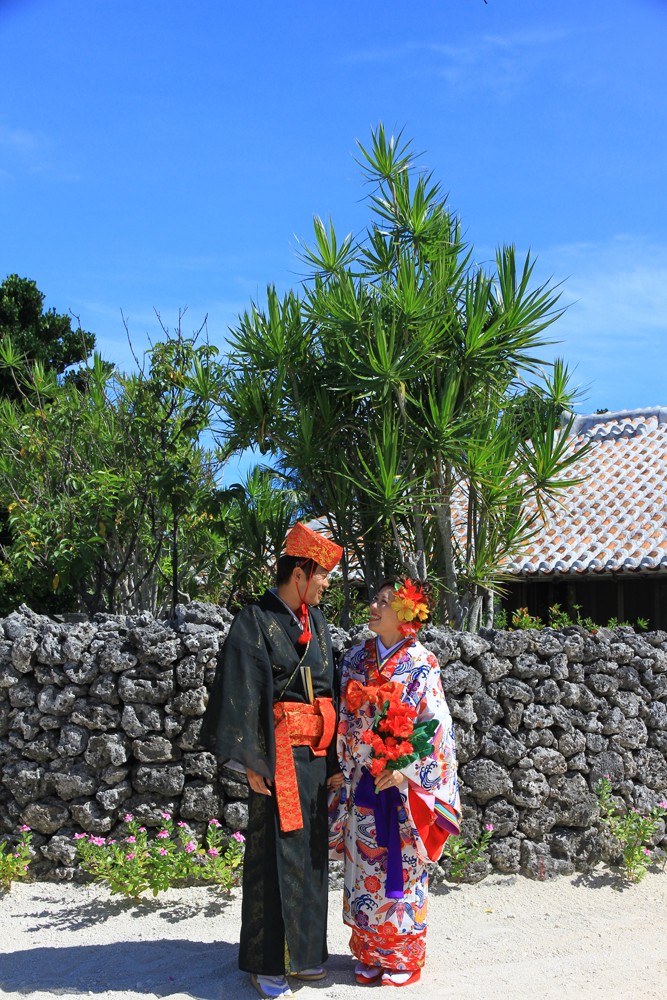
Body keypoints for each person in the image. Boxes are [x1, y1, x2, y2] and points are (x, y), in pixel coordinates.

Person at [200, 522, 344, 1000]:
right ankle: (268, 960)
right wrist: (252, 761)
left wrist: (336, 761)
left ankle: (305, 956)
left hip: (315, 758)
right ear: (300, 572)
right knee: (273, 854)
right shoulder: (253, 620)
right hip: (276, 758)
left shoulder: (318, 624)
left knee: (311, 853)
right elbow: (241, 690)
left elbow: (331, 693)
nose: (326, 584)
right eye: (322, 575)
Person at [331, 577, 461, 988]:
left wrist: (404, 767)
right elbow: (344, 715)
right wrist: (352, 759)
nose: (374, 605)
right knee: (363, 864)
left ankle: (403, 955)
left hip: (403, 788)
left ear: (406, 615)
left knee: (403, 866)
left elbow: (436, 726)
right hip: (363, 777)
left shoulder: (423, 663)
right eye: (375, 598)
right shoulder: (354, 659)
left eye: (384, 601)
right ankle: (369, 951)